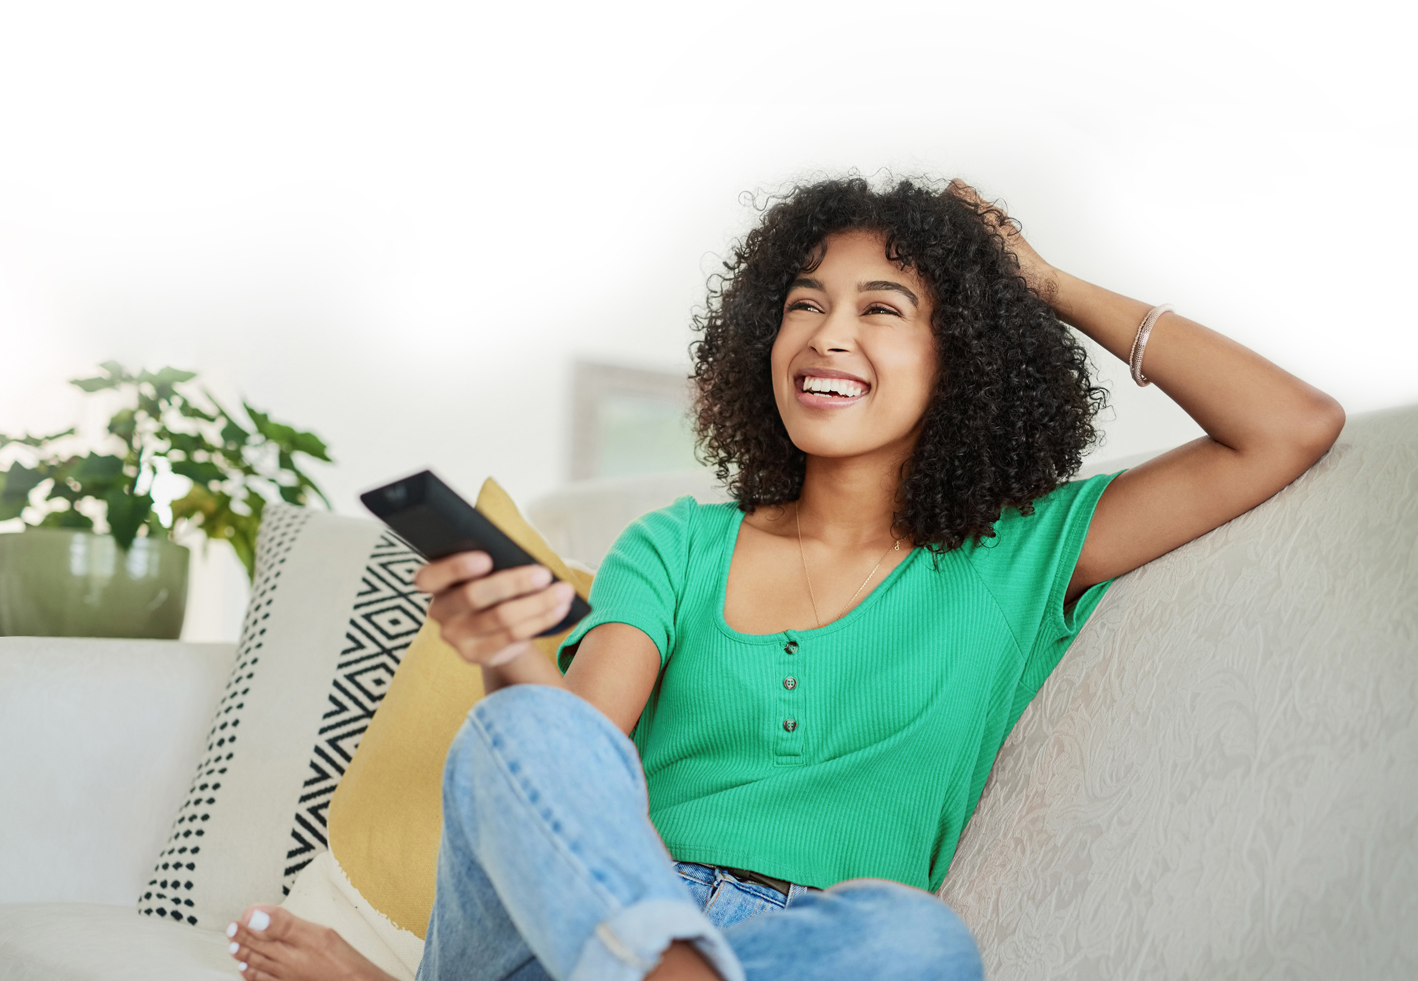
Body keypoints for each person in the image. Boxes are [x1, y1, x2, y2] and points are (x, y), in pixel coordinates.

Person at [224, 176, 1344, 981]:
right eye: (804, 303)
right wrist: (505, 649)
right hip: (563, 938)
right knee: (512, 728)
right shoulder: (681, 545)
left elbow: (1289, 427)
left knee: (919, 940)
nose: (826, 334)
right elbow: (572, 753)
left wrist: (1043, 281)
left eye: (882, 308)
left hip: (801, 956)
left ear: (968, 358)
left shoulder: (1025, 553)